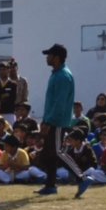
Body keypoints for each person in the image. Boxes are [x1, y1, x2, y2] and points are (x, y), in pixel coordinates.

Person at [37, 43, 87, 198]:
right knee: (49, 154)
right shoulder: (57, 74)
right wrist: (45, 120)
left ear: (57, 57)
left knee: (58, 152)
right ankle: (50, 185)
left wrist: (49, 121)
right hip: (52, 120)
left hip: (58, 122)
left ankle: (82, 178)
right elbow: (52, 102)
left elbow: (59, 103)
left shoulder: (63, 76)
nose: (47, 57)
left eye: (49, 55)